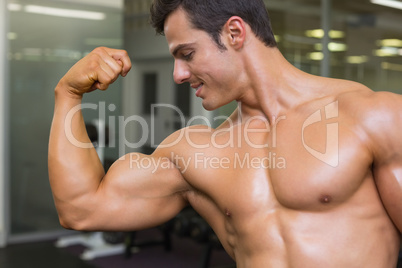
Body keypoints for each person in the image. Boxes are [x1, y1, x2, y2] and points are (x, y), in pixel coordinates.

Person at [48, 0, 402, 266]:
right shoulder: (195, 152)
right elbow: (82, 209)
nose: (179, 75)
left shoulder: (371, 116)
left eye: (187, 54)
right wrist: (67, 94)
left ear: (235, 33)